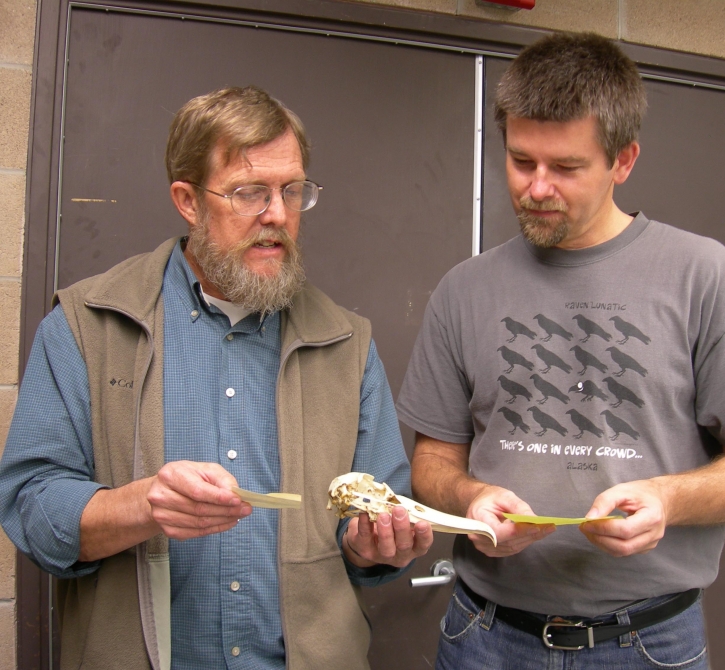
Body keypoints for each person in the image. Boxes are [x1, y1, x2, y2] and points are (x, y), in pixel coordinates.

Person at [396, 32, 725, 669]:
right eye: (522, 161)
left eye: (566, 167)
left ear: (623, 160)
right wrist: (469, 500)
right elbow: (432, 464)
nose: (537, 188)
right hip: (485, 635)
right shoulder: (463, 290)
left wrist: (669, 498)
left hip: (648, 642)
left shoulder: (703, 276)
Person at [0, 86, 432, 670]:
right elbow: (31, 507)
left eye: (291, 190)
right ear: (188, 200)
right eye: (250, 192)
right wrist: (140, 507)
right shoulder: (87, 324)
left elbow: (372, 514)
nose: (277, 213)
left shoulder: (347, 343)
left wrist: (373, 545)